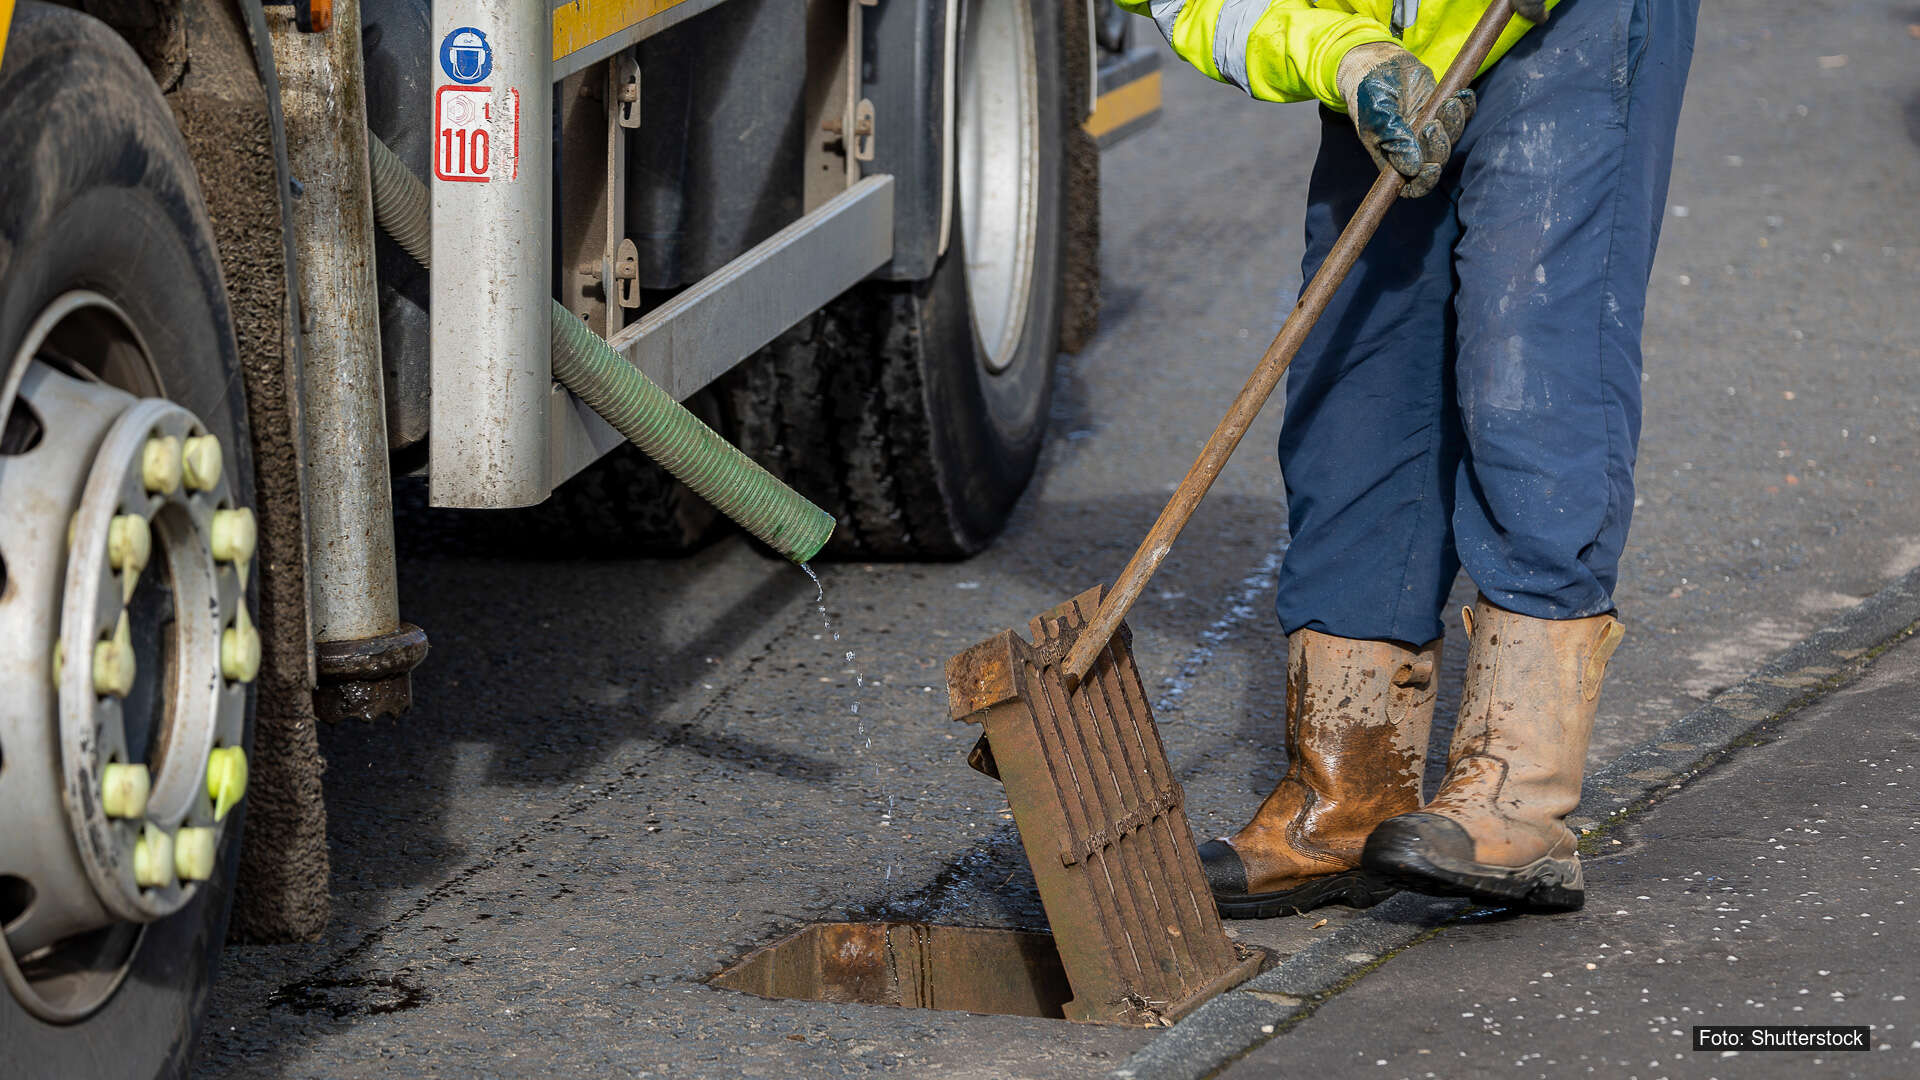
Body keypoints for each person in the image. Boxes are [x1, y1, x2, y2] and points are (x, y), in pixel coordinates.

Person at [1115, 0, 1700, 915]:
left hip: (1567, 26)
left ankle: (1516, 792)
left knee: (1530, 361)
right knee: (1359, 378)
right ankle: (1347, 787)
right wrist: (1346, 60)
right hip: (1385, 41)